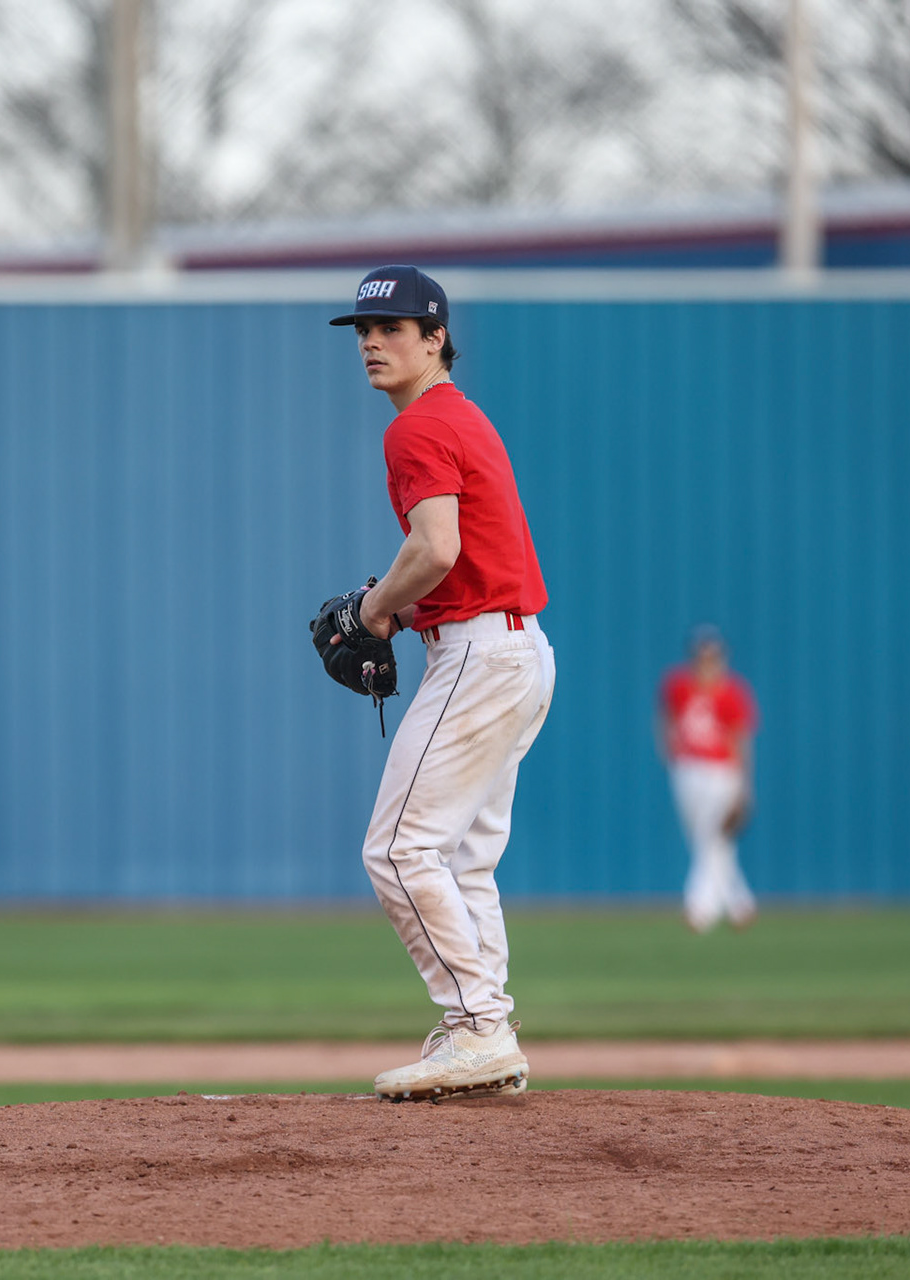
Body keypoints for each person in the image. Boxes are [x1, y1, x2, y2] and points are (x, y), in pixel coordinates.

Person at [327, 265, 557, 1101]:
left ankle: (478, 1029)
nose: (372, 344)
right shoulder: (459, 416)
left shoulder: (419, 426)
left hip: (480, 653)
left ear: (436, 339)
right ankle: (485, 1039)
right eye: (362, 332)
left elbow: (437, 551)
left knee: (396, 849)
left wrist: (375, 610)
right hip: (518, 649)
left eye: (391, 330)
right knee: (463, 860)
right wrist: (388, 606)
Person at [657, 624, 759, 932]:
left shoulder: (732, 692)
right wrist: (670, 754)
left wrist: (745, 785)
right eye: (702, 656)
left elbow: (741, 740)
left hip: (721, 772)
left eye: (713, 656)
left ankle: (699, 909)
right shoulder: (678, 685)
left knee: (710, 836)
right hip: (687, 768)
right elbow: (665, 721)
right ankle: (741, 905)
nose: (707, 662)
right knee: (706, 839)